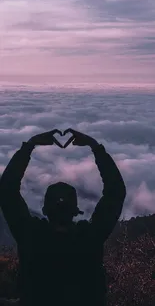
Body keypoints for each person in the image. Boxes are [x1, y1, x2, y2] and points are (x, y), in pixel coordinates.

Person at [0, 128, 126, 306]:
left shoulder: (30, 235)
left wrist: (28, 147)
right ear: (76, 210)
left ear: (44, 210)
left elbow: (7, 191)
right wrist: (95, 147)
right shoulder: (89, 238)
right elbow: (116, 192)